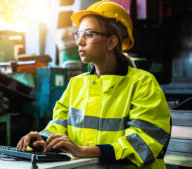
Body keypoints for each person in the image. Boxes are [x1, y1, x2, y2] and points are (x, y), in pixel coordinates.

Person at [17, 1, 171, 168]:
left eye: (89, 34)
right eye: (78, 34)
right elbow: (60, 125)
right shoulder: (76, 84)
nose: (79, 42)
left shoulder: (143, 84)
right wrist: (44, 139)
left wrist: (85, 151)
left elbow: (143, 142)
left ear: (111, 42)